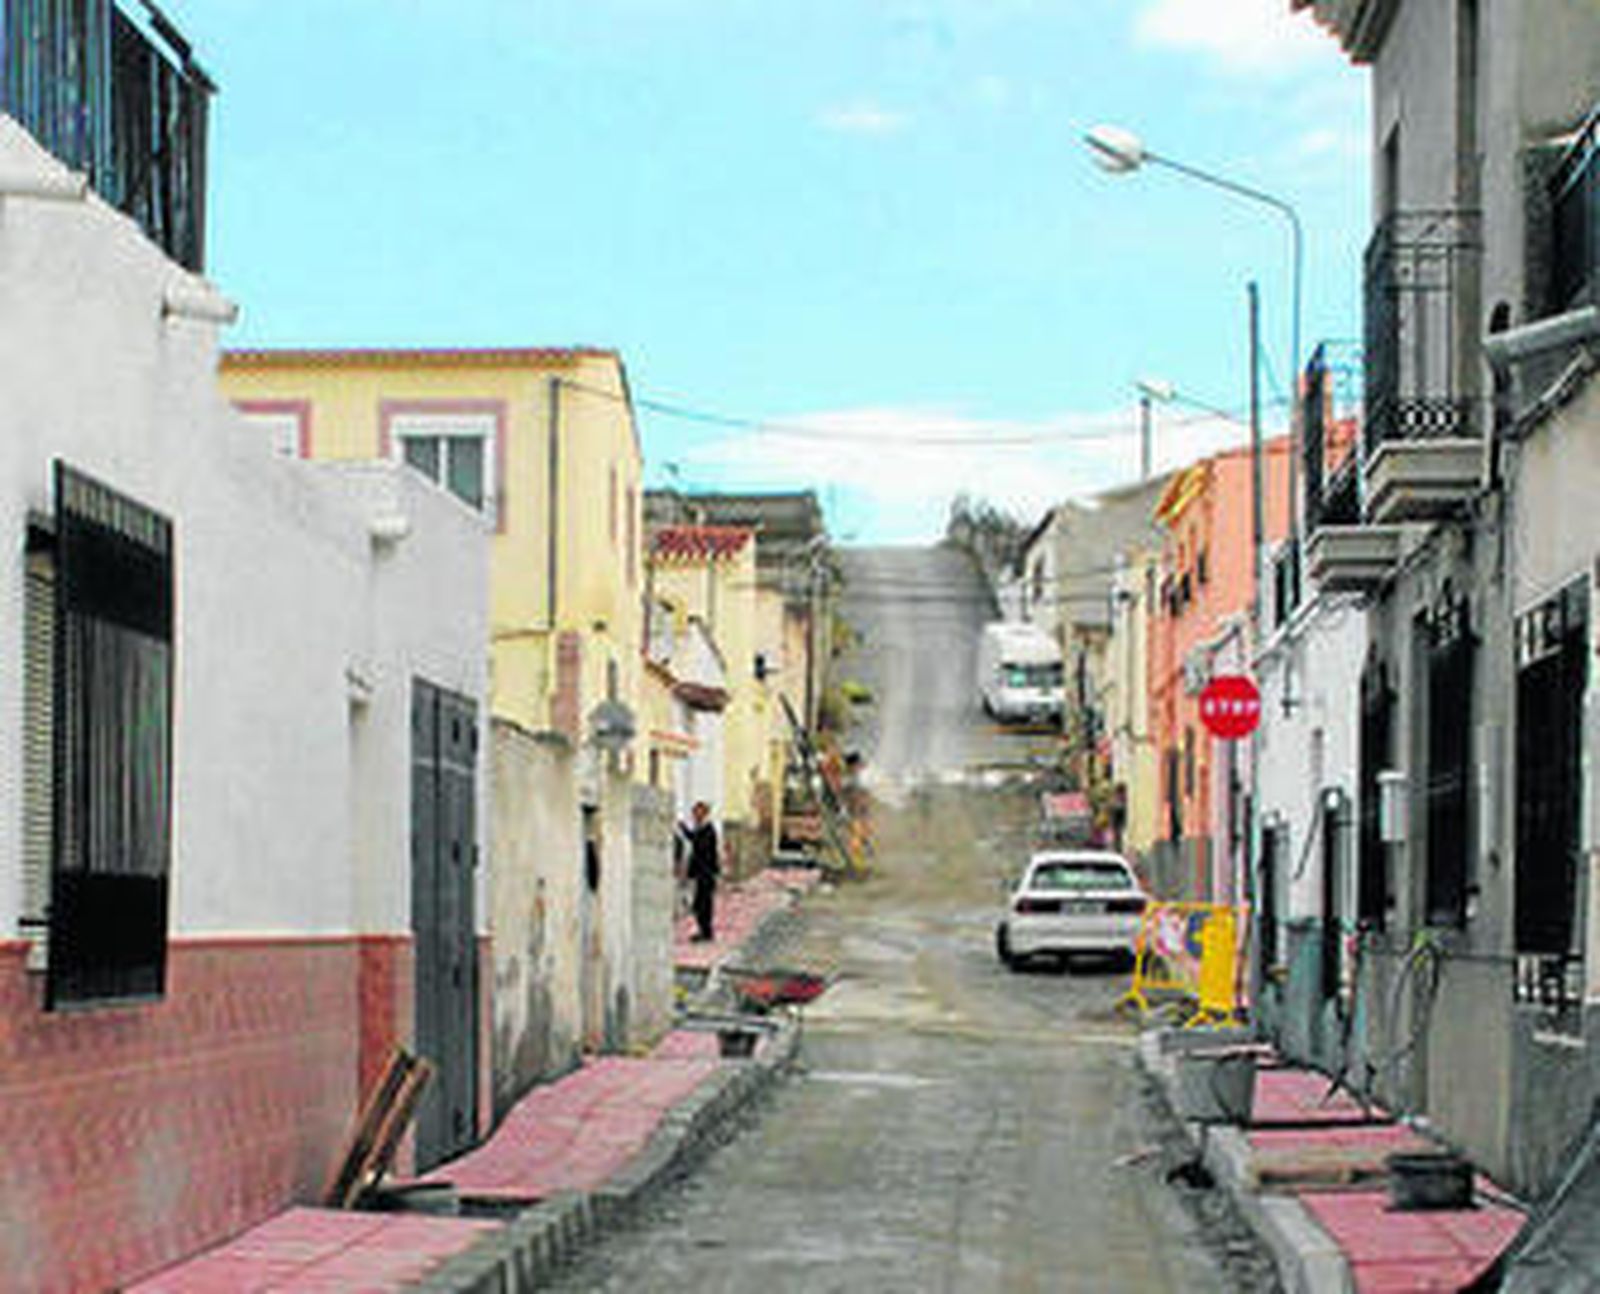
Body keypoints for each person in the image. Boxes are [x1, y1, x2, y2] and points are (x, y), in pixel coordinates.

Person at [678, 800, 721, 942]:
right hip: (702, 873)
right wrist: (684, 829)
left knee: (703, 904)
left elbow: (700, 845)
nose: (694, 816)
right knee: (699, 904)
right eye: (694, 813)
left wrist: (686, 831)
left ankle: (706, 932)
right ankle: (704, 930)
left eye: (697, 812)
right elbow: (695, 839)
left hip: (706, 874)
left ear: (704, 813)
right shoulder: (702, 828)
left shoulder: (708, 830)